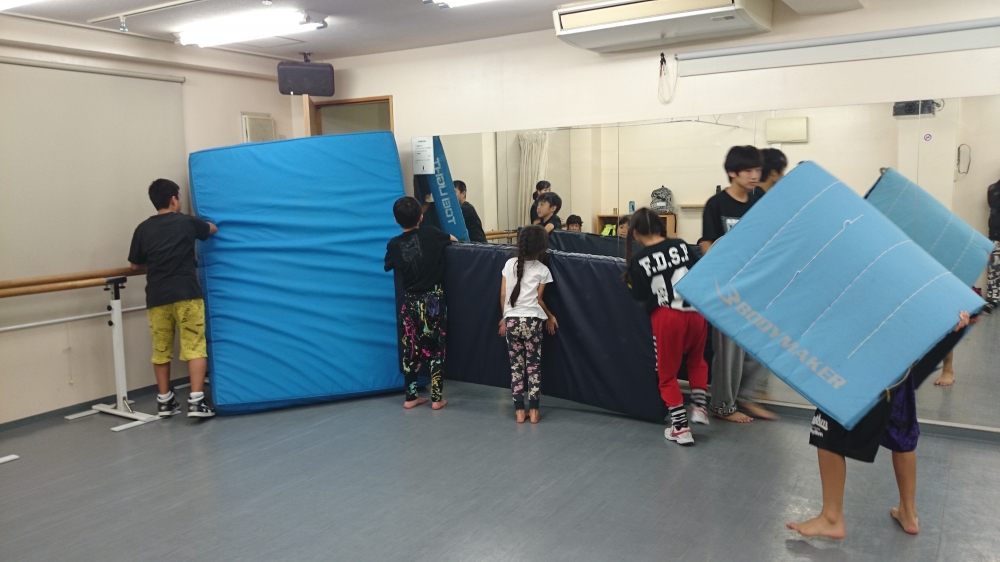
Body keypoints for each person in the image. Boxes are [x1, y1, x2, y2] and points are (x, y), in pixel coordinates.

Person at [788, 312, 975, 539]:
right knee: (901, 429)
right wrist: (952, 315)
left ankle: (831, 518)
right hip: (899, 353)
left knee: (827, 423)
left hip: (865, 348)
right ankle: (908, 512)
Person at [128, 178, 218, 418]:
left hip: (157, 297)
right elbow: (211, 229)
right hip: (186, 294)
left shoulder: (143, 228)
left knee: (161, 349)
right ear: (173, 199)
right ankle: (196, 401)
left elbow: (134, 264)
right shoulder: (186, 222)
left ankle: (165, 401)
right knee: (194, 345)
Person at [700, 145, 776, 423]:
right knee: (729, 352)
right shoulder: (716, 204)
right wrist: (722, 269)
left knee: (762, 342)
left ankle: (746, 396)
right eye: (748, 171)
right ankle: (722, 405)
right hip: (727, 287)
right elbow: (707, 244)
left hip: (756, 284)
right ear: (732, 172)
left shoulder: (760, 200)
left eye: (757, 170)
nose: (754, 176)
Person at [623, 208, 709, 446]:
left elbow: (639, 295)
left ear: (636, 233)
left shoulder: (639, 260)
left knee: (666, 373)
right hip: (695, 311)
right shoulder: (680, 245)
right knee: (697, 360)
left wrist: (630, 282)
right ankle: (699, 406)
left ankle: (680, 427)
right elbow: (697, 271)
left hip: (667, 315)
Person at [384, 197, 458, 410]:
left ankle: (410, 397)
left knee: (410, 349)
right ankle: (436, 398)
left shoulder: (394, 244)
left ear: (396, 220)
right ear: (421, 217)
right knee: (435, 349)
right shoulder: (432, 234)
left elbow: (389, 264)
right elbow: (453, 239)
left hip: (409, 302)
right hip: (432, 300)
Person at [498, 225, 557, 424]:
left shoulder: (509, 264)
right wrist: (550, 317)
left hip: (512, 321)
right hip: (532, 321)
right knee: (533, 367)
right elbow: (539, 300)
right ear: (541, 247)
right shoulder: (543, 270)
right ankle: (534, 411)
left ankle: (519, 412)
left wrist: (505, 317)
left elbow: (503, 294)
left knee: (516, 368)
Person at [986, 178, 1000, 314]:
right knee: (994, 270)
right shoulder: (993, 189)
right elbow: (994, 204)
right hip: (996, 236)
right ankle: (992, 299)